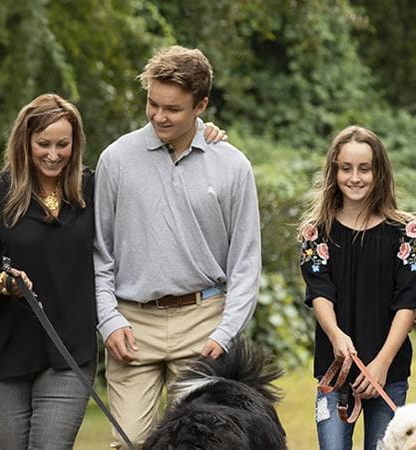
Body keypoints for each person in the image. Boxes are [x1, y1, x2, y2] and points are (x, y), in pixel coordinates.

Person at [0, 93, 226, 449]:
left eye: (62, 144)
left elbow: (156, 173)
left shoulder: (92, 190)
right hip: (4, 353)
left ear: (75, 144)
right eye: (43, 144)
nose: (53, 154)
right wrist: (0, 282)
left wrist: (201, 132)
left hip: (68, 353)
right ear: (24, 143)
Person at [92, 45, 262, 447]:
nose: (158, 116)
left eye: (173, 109)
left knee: (199, 443)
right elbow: (99, 252)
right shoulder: (116, 160)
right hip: (133, 325)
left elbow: (245, 263)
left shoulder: (233, 165)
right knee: (130, 441)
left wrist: (225, 333)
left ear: (201, 105)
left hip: (204, 322)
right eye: (152, 104)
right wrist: (108, 320)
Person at [298, 126, 416, 450]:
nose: (355, 178)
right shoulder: (317, 233)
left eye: (364, 168)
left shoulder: (406, 234)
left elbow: (408, 303)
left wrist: (381, 364)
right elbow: (320, 293)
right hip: (336, 369)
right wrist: (336, 335)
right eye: (346, 168)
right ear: (334, 171)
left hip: (389, 371)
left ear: (379, 173)